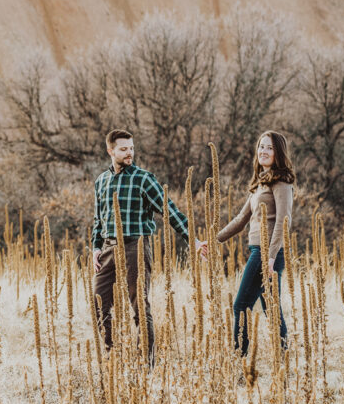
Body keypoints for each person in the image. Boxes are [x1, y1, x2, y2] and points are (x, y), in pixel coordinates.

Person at [91, 130, 201, 361]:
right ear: (110, 151)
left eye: (131, 148)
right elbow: (98, 219)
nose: (129, 153)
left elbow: (169, 211)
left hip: (136, 247)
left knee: (139, 305)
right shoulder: (101, 181)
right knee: (99, 303)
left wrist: (193, 240)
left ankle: (146, 362)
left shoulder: (143, 178)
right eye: (123, 149)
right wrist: (96, 247)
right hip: (108, 249)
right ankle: (112, 355)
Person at [199, 131, 294, 356]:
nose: (263, 151)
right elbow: (240, 220)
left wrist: (270, 257)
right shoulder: (261, 183)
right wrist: (212, 241)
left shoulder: (282, 182)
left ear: (278, 152)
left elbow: (283, 221)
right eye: (261, 146)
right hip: (258, 250)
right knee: (271, 308)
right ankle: (283, 356)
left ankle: (239, 358)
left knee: (240, 305)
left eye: (269, 148)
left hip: (267, 252)